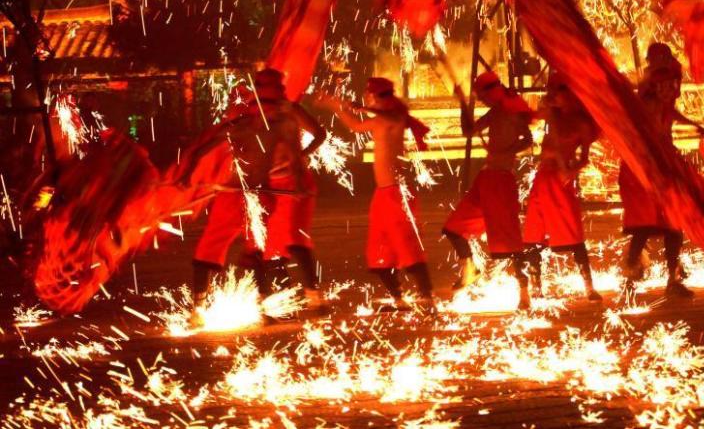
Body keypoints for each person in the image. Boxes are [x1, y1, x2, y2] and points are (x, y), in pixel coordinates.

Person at [192, 69, 326, 323]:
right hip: (235, 193)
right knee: (210, 249)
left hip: (263, 196)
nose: (268, 111)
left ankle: (270, 307)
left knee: (260, 251)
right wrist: (190, 175)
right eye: (263, 105)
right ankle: (197, 309)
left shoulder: (283, 125)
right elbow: (204, 148)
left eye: (272, 104)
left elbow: (297, 156)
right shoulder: (241, 125)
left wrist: (298, 180)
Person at [317, 77, 434, 311]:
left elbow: (392, 118)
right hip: (382, 194)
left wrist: (365, 109)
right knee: (380, 251)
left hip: (398, 193)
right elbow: (355, 126)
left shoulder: (395, 118)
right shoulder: (380, 120)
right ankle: (398, 299)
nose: (366, 98)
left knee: (407, 246)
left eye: (369, 95)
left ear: (378, 97)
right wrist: (335, 106)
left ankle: (427, 298)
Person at [619, 43, 704, 299]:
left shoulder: (660, 101)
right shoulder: (645, 103)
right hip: (645, 168)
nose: (672, 90)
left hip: (664, 163)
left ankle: (672, 279)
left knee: (674, 223)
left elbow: (670, 113)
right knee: (644, 226)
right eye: (667, 85)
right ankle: (629, 280)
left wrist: (694, 126)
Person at [443, 71, 534, 309]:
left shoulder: (512, 111)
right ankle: (469, 270)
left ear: (492, 92)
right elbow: (468, 131)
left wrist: (508, 150)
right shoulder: (495, 112)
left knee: (511, 241)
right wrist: (463, 103)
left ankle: (524, 292)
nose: (481, 100)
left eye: (482, 96)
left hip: (502, 182)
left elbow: (528, 139)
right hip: (485, 180)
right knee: (453, 229)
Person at [522, 74, 601, 301]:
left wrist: (572, 171)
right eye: (552, 91)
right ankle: (536, 288)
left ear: (572, 93)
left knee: (572, 231)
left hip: (560, 179)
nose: (554, 95)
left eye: (558, 91)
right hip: (542, 177)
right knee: (533, 232)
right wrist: (540, 109)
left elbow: (584, 158)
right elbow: (528, 118)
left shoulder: (581, 123)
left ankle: (589, 287)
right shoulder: (552, 114)